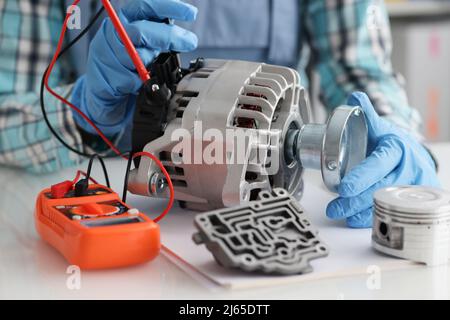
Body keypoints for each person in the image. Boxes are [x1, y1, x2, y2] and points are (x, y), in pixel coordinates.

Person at [0, 0, 440, 228]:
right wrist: (82, 109)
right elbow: (6, 111)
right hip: (109, 198)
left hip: (268, 206)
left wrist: (394, 136)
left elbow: (358, 67)